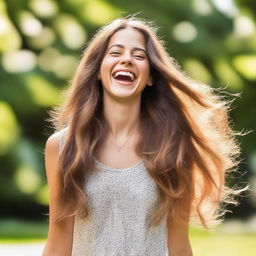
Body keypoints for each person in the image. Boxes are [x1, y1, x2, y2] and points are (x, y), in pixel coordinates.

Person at [42, 16, 247, 256]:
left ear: (150, 77)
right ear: (98, 70)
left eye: (139, 56)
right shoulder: (63, 147)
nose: (127, 60)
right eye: (115, 53)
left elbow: (178, 244)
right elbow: (58, 241)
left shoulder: (173, 147)